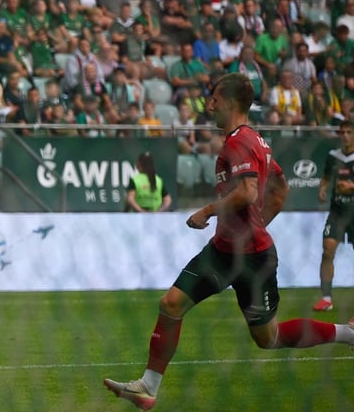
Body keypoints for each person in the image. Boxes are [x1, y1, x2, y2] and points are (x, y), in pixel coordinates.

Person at [104, 73, 354, 411]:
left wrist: (208, 210)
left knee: (269, 338)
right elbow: (280, 191)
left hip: (254, 259)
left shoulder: (239, 142)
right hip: (223, 251)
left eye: (214, 98)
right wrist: (254, 225)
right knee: (171, 304)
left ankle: (348, 334)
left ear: (231, 102)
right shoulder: (256, 141)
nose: (209, 104)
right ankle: (148, 387)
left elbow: (250, 192)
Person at [313, 120, 354, 312]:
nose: (345, 135)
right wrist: (323, 188)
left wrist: (351, 187)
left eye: (349, 132)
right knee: (327, 251)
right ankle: (326, 298)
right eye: (342, 132)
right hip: (337, 211)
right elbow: (327, 177)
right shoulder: (333, 156)